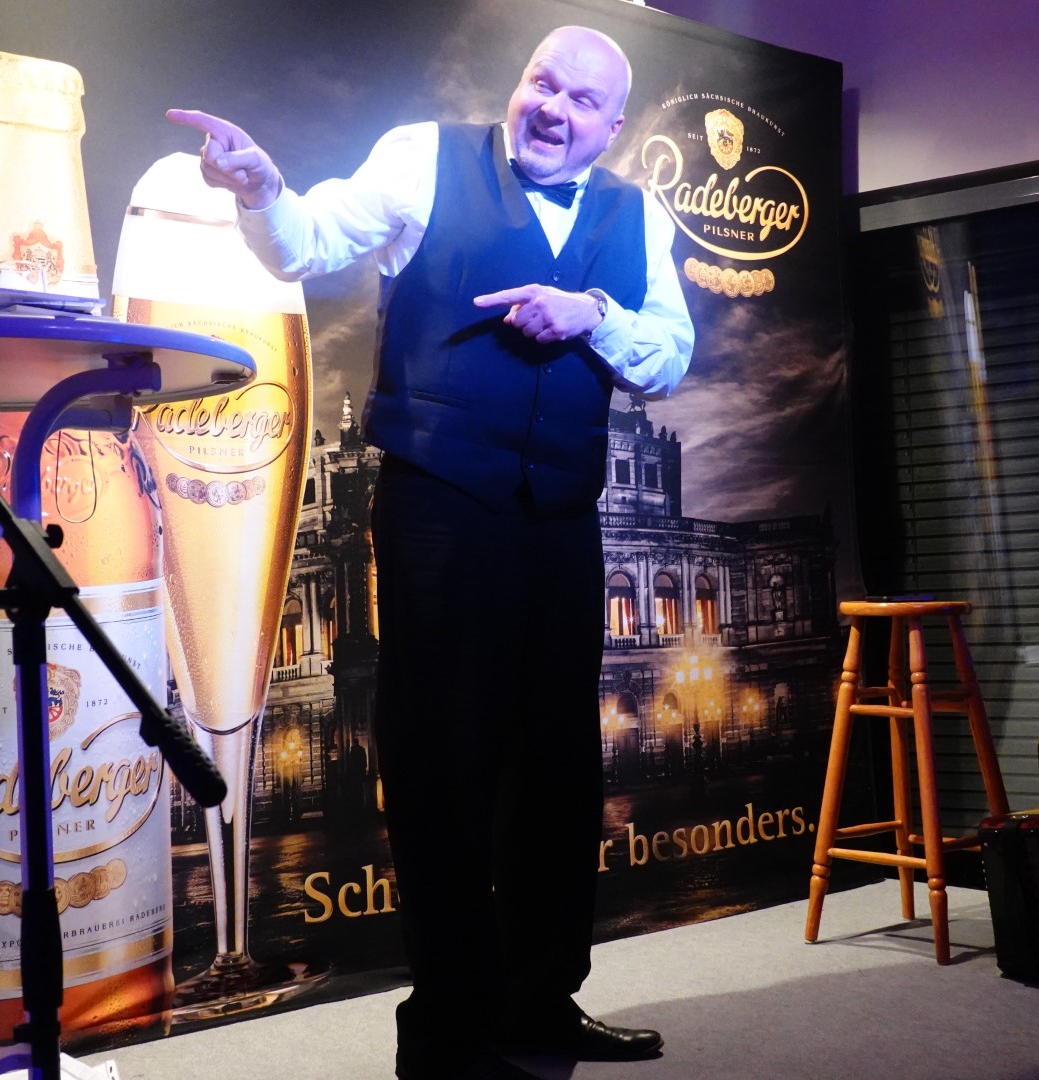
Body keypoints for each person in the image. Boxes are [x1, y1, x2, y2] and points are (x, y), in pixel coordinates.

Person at [170, 24, 694, 1080]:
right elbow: (309, 241)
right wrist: (263, 189)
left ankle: (543, 1003)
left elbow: (669, 357)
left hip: (562, 516)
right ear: (522, 82)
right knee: (442, 766)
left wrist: (591, 312)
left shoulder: (640, 215)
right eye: (542, 82)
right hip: (440, 509)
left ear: (612, 127)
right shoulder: (423, 156)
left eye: (580, 100)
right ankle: (452, 1030)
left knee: (557, 771)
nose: (552, 108)